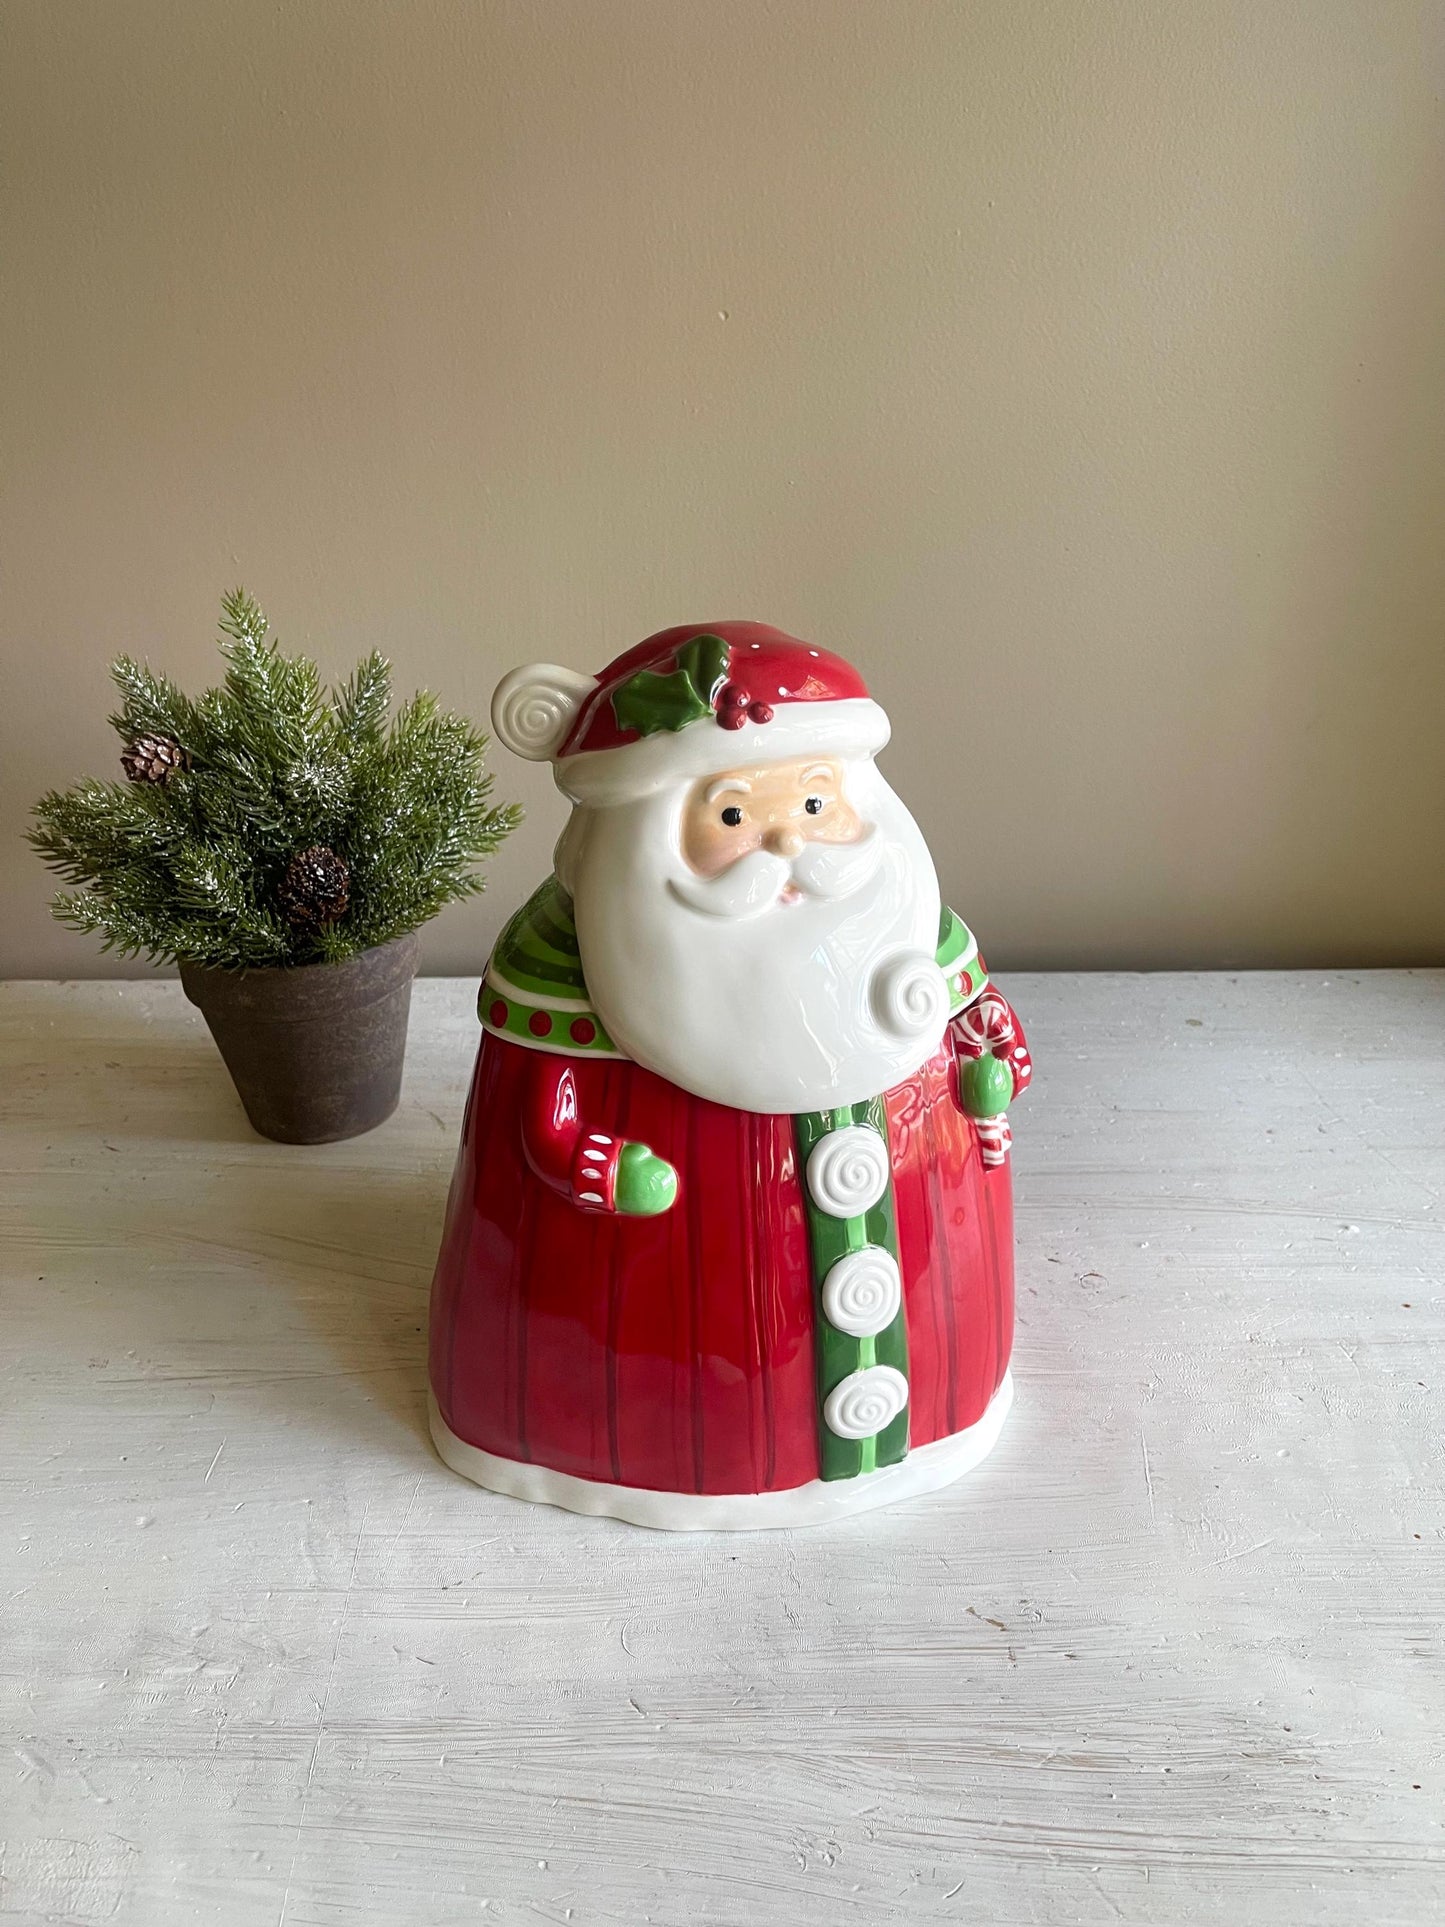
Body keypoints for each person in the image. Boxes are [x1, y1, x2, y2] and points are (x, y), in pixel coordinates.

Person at [428, 622, 1030, 1528]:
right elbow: (539, 1116)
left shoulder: (905, 926)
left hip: (940, 1324)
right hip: (645, 1360)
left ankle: (937, 1408)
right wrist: (588, 1162)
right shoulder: (570, 957)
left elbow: (978, 1024)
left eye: (817, 804)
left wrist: (991, 1060)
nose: (787, 842)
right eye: (734, 814)